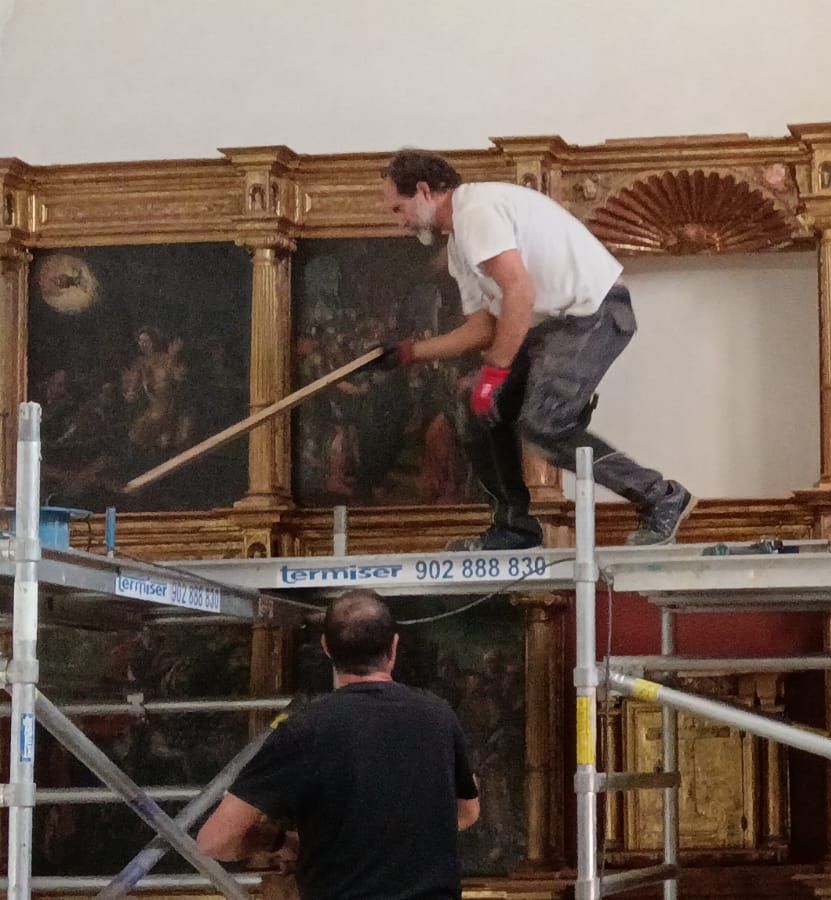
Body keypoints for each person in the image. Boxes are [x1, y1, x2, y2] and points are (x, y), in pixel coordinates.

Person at [373, 149, 694, 549]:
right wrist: (411, 352)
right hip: (559, 325)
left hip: (595, 314)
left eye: (398, 208)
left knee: (544, 423)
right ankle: (513, 528)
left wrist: (494, 374)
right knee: (471, 402)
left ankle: (660, 496)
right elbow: (484, 328)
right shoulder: (459, 245)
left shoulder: (476, 212)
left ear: (423, 190)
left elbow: (519, 292)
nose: (400, 221)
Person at [197, 590, 481, 900]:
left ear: (326, 647)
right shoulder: (439, 716)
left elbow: (215, 841)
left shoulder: (304, 730)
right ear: (394, 646)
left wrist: (280, 840)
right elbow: (468, 812)